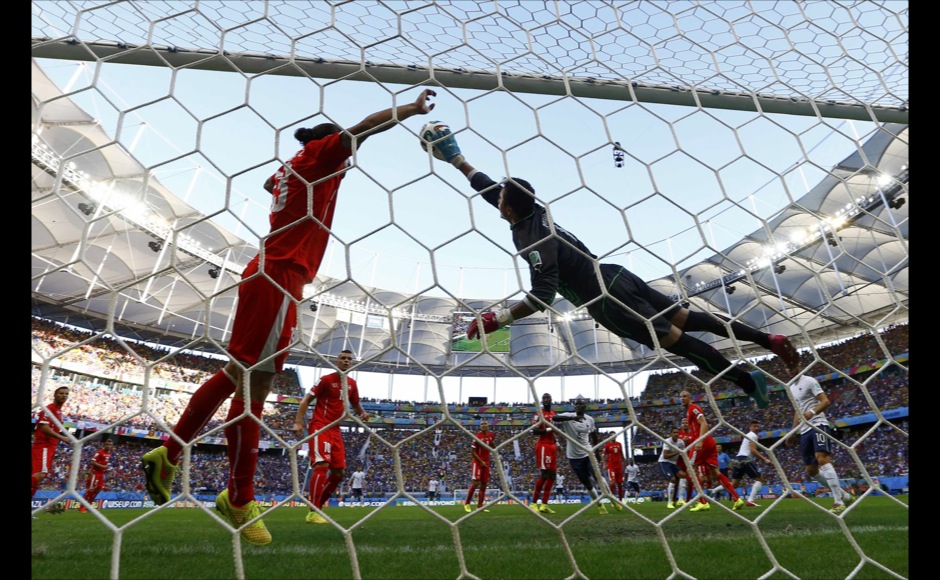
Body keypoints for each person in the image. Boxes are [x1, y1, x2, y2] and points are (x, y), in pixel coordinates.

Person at [138, 89, 437, 545]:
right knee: (252, 383)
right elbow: (363, 129)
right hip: (280, 274)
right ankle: (237, 497)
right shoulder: (321, 156)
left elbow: (269, 185)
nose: (348, 157)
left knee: (240, 374)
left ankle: (175, 455)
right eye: (343, 150)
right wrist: (410, 110)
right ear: (330, 144)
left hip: (269, 271)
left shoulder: (292, 168)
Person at [423, 126, 800, 410]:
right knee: (687, 317)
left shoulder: (530, 239)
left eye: (501, 199)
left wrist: (497, 320)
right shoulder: (535, 211)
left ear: (507, 209)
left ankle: (747, 381)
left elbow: (543, 295)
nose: (497, 200)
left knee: (678, 342)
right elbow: (492, 188)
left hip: (605, 300)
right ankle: (770, 340)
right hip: (617, 273)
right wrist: (457, 158)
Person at [294, 349, 370, 524]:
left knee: (338, 473)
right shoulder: (325, 380)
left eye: (349, 359)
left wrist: (363, 414)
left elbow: (356, 404)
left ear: (352, 363)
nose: (345, 361)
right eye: (342, 358)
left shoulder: (352, 383)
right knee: (321, 465)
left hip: (336, 429)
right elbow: (306, 400)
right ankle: (313, 511)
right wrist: (299, 422)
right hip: (320, 426)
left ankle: (317, 508)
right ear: (337, 361)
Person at [787, 370, 856, 514]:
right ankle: (845, 495)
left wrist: (812, 412)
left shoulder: (810, 381)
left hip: (818, 424)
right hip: (804, 430)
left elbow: (826, 401)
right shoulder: (790, 387)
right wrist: (793, 432)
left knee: (822, 459)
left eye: (791, 366)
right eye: (787, 368)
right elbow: (797, 411)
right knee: (811, 470)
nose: (789, 370)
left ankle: (838, 502)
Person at [553, 398, 621, 514]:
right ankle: (599, 505)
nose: (579, 406)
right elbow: (554, 418)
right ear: (574, 407)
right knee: (587, 483)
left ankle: (612, 499)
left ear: (585, 407)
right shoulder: (568, 416)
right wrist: (572, 418)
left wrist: (597, 453)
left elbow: (594, 436)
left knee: (598, 477)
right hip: (573, 457)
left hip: (587, 453)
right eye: (577, 404)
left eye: (581, 404)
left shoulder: (589, 420)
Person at [680, 390, 744, 512]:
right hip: (710, 442)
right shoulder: (689, 412)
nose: (682, 398)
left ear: (690, 398)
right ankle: (737, 499)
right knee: (716, 473)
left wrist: (700, 440)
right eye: (681, 397)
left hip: (702, 442)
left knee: (691, 470)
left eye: (685, 396)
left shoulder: (693, 408)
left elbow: (704, 423)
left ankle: (702, 502)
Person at [31, 386, 71, 505]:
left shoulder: (59, 412)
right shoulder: (49, 409)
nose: (64, 395)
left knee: (37, 479)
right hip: (44, 445)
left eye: (66, 394)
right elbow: (44, 428)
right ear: (54, 395)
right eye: (61, 393)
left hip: (50, 447)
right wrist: (62, 438)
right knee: (40, 475)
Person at [730, 420, 772, 508]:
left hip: (739, 458)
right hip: (745, 459)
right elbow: (753, 450)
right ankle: (750, 501)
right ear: (750, 427)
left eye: (757, 426)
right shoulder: (753, 435)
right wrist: (765, 459)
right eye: (754, 426)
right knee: (760, 479)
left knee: (734, 485)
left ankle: (714, 491)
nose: (757, 428)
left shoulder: (748, 435)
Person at [529, 393, 559, 514]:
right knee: (545, 474)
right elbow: (534, 430)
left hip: (552, 445)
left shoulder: (553, 413)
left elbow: (553, 432)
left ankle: (544, 505)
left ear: (551, 400)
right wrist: (547, 429)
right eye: (544, 398)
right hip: (543, 446)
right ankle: (533, 503)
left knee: (552, 476)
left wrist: (557, 443)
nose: (546, 400)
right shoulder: (539, 414)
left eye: (548, 398)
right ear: (542, 401)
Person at [464, 418, 496, 512]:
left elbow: (491, 444)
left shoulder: (491, 435)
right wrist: (481, 461)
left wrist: (496, 449)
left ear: (488, 425)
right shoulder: (477, 437)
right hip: (477, 462)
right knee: (476, 483)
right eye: (482, 424)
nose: (483, 425)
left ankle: (480, 506)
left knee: (484, 484)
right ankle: (467, 504)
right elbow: (473, 452)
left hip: (486, 463)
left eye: (485, 423)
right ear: (480, 426)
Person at [80, 438, 114, 513]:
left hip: (101, 474)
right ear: (104, 445)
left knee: (98, 489)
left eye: (110, 445)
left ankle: (89, 505)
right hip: (95, 473)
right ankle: (82, 507)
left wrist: (106, 469)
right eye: (107, 444)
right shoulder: (99, 452)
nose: (109, 446)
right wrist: (103, 466)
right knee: (91, 489)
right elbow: (92, 462)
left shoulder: (109, 453)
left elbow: (104, 463)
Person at [657, 427, 685, 509]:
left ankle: (681, 499)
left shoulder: (681, 442)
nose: (676, 434)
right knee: (673, 480)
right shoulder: (667, 442)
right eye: (674, 432)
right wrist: (677, 452)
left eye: (677, 432)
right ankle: (669, 502)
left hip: (673, 463)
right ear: (671, 434)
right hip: (664, 462)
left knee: (683, 475)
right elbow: (665, 456)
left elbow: (683, 454)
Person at [603, 433, 625, 502]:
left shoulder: (619, 444)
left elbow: (621, 453)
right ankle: (612, 499)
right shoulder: (607, 445)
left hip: (619, 466)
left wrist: (624, 462)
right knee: (612, 482)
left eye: (614, 435)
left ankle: (620, 500)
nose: (613, 437)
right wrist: (604, 464)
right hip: (611, 466)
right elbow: (603, 455)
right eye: (611, 435)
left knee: (620, 484)